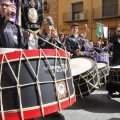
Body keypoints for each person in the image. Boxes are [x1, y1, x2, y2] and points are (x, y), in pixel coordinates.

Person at [106, 24, 120, 99]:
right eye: (118, 30)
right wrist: (116, 33)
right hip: (116, 59)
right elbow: (110, 40)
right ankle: (110, 92)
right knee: (113, 74)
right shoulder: (115, 37)